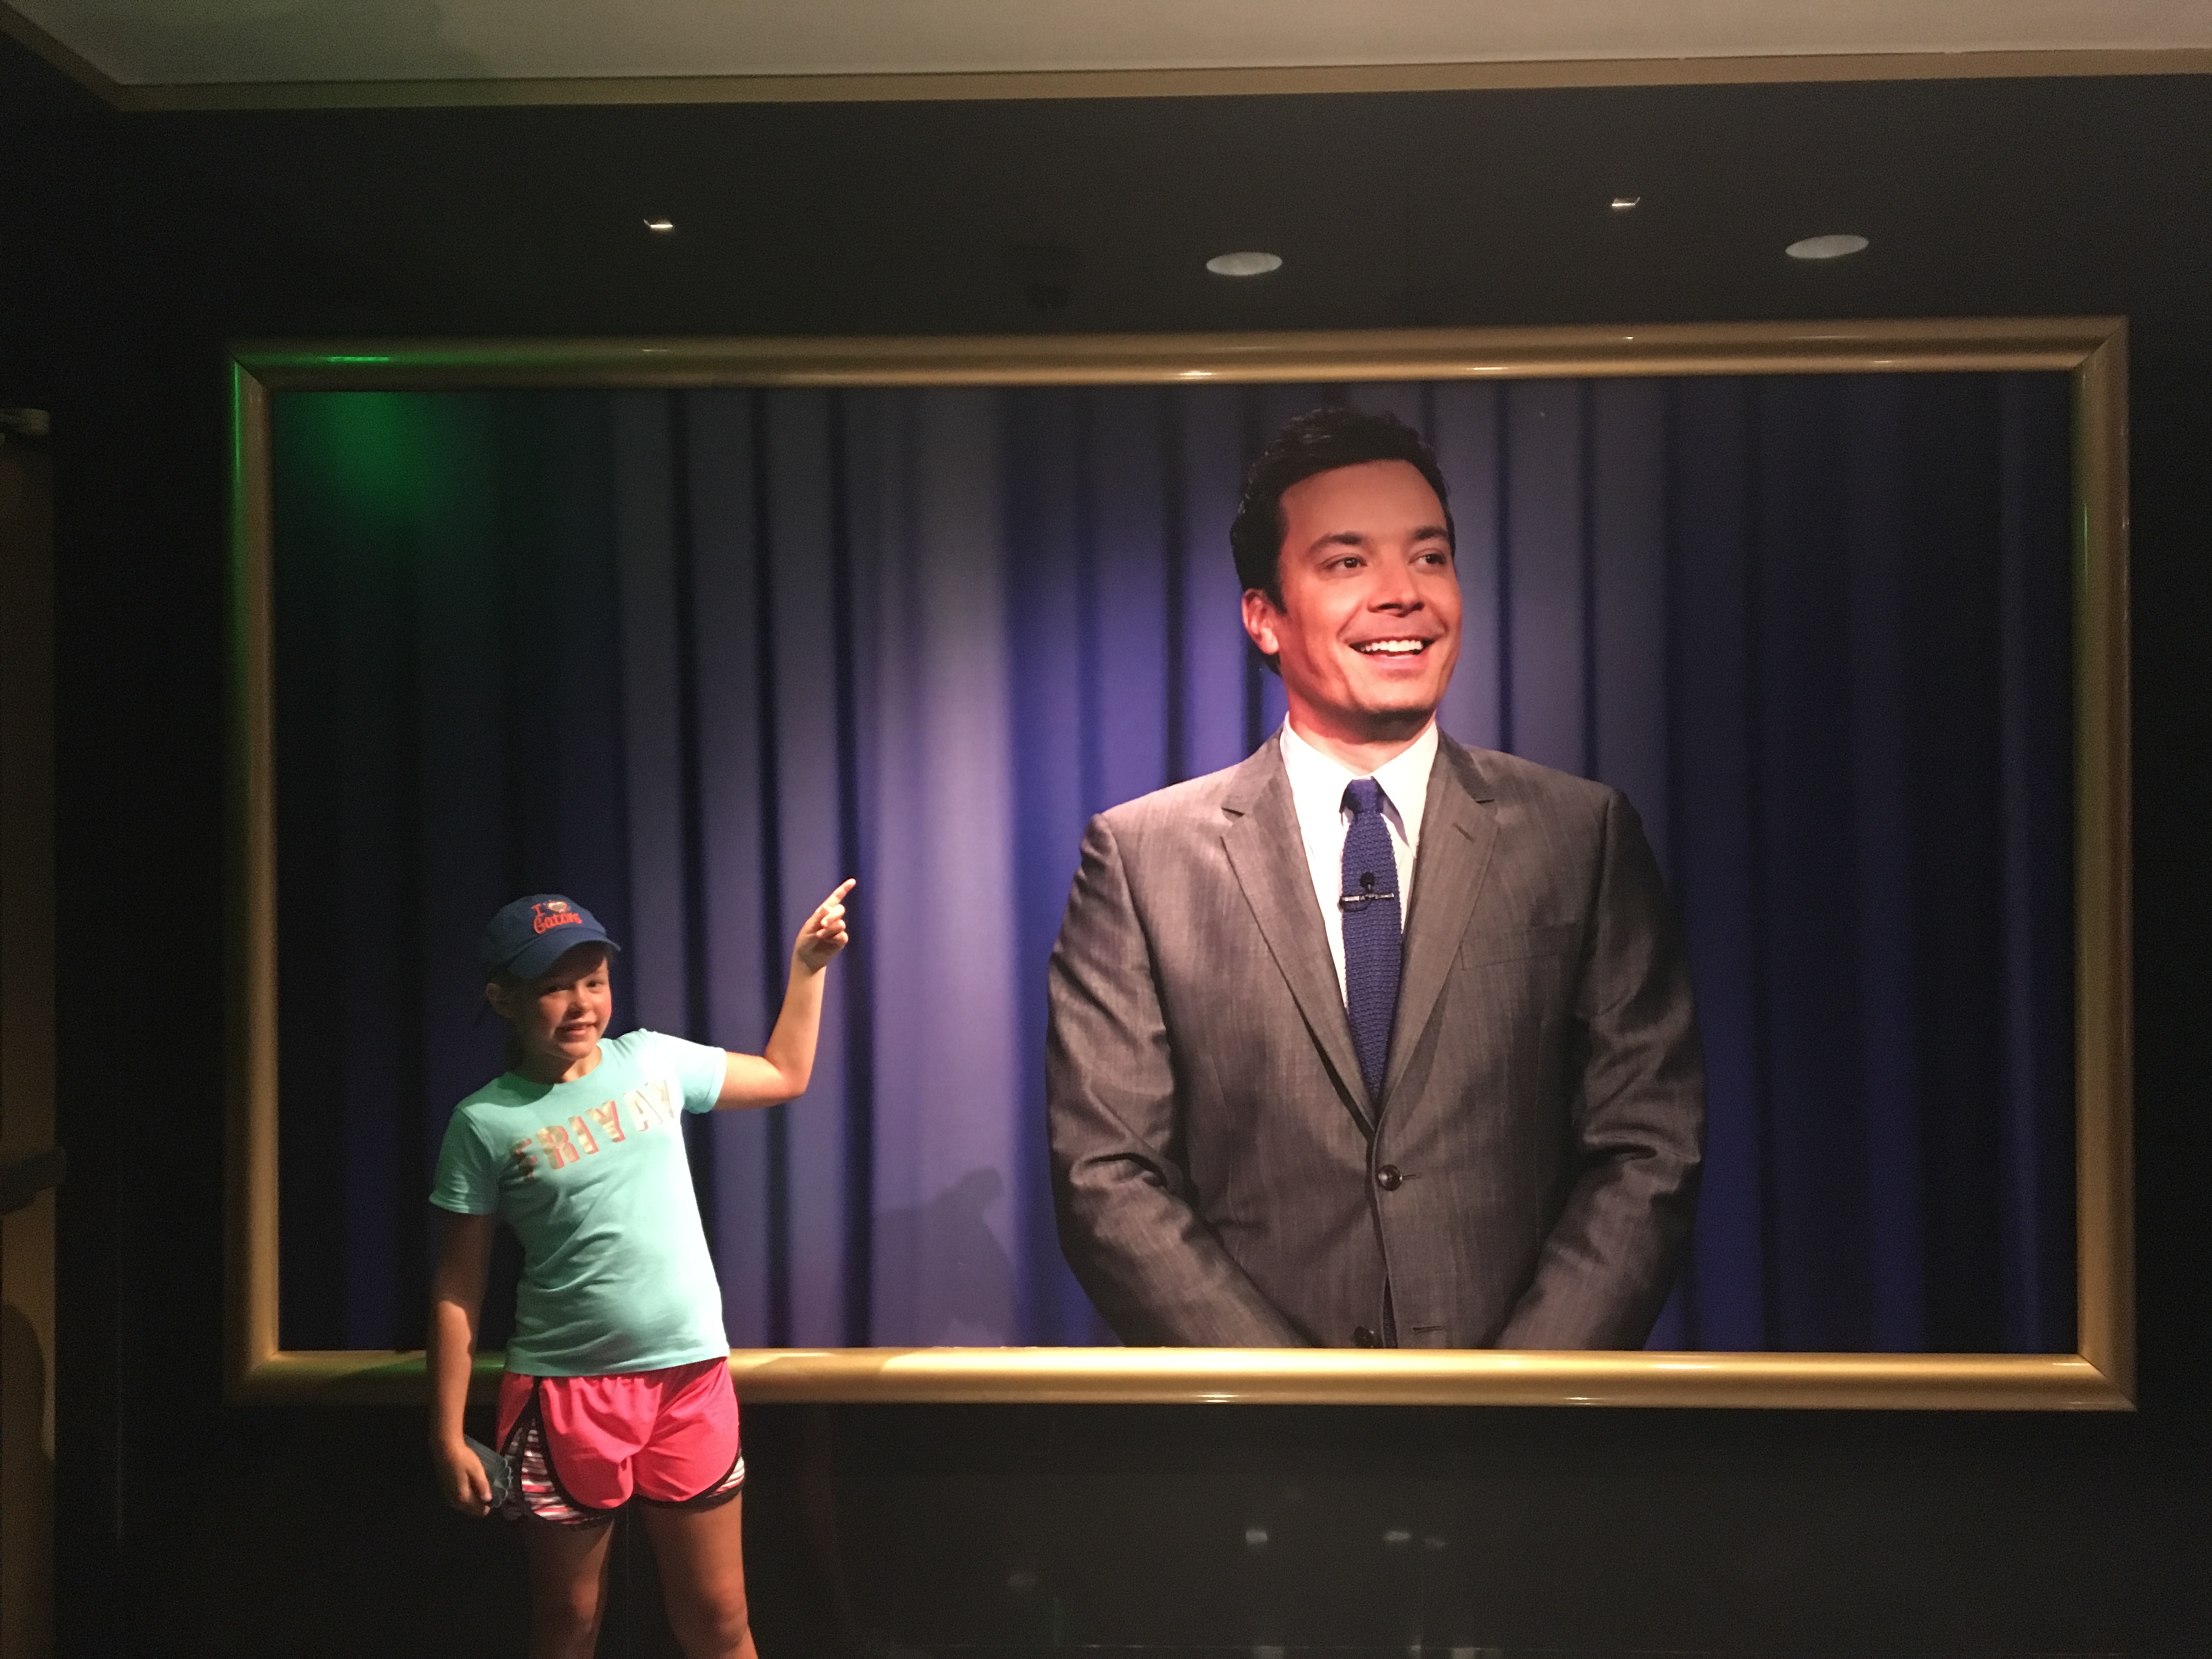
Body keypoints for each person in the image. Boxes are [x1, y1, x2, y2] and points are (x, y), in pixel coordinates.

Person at [1047, 405, 1703, 1350]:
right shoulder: (1142, 859)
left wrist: (1514, 1399)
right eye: (1347, 562)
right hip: (1258, 1424)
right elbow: (1107, 1176)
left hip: (1520, 1418)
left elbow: (1648, 1145)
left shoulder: (1581, 836)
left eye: (1430, 557)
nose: (1403, 594)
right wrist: (1300, 1406)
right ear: (1263, 617)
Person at [428, 882, 854, 1659]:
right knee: (569, 1622)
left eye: (593, 981)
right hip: (565, 1394)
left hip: (690, 1382)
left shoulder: (651, 1059)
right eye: (554, 987)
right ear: (503, 999)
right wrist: (446, 1433)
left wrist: (808, 967)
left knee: (719, 1617)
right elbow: (460, 1284)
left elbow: (784, 1074)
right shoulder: (483, 1122)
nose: (581, 1003)